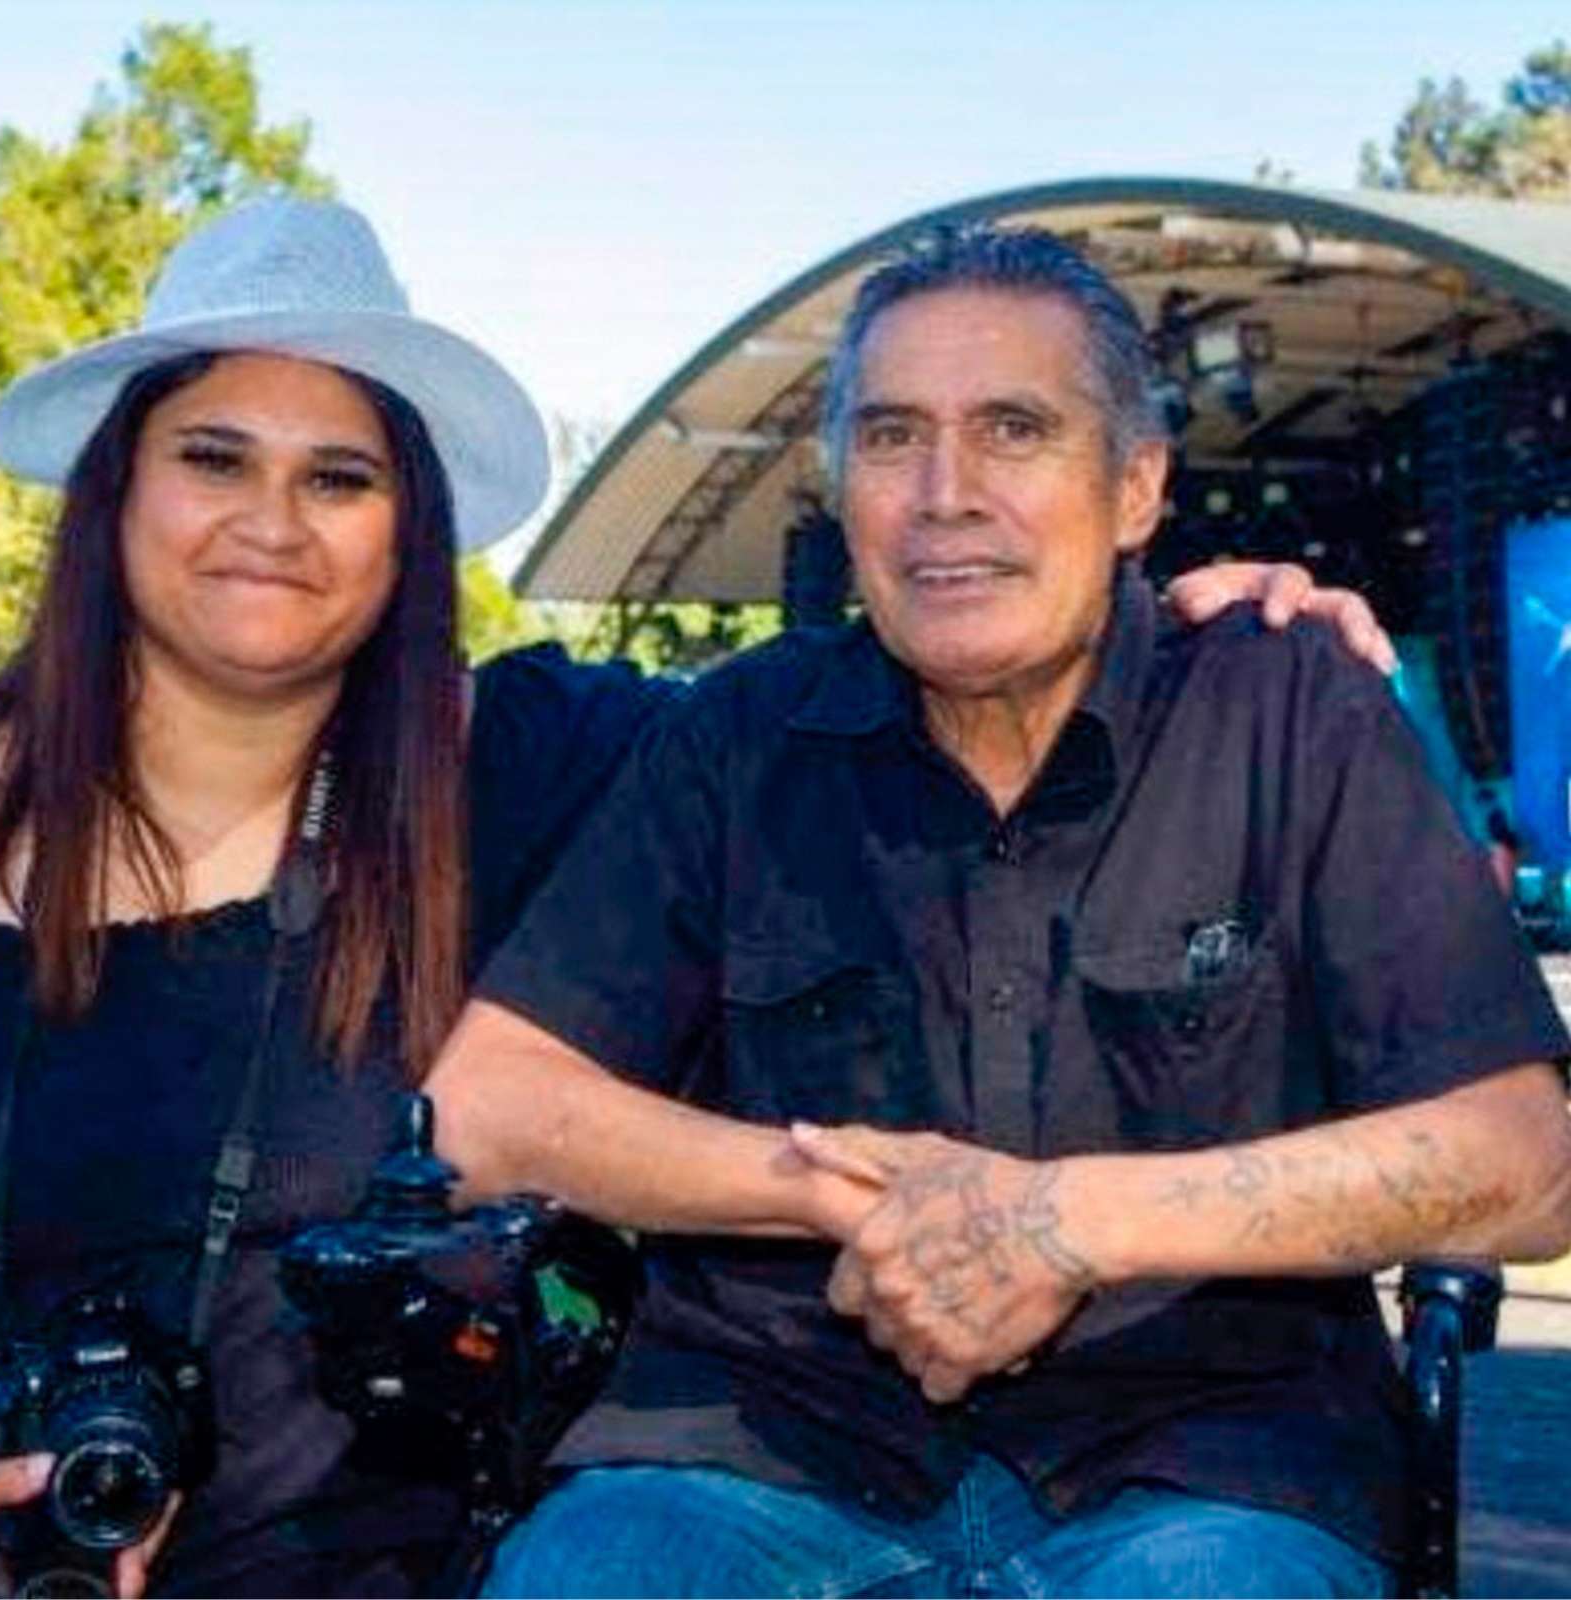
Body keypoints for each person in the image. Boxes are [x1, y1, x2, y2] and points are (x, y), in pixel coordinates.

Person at [0, 192, 1392, 1600]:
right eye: (214, 457)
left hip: (354, 1566)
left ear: (409, 527)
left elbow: (898, 683)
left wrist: (1171, 630)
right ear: (117, 488)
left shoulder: (538, 764)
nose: (273, 521)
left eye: (340, 477)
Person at [426, 225, 1571, 1598]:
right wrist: (850, 1194)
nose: (946, 495)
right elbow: (483, 1111)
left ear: (1135, 487)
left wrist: (1071, 1220)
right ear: (841, 490)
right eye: (892, 437)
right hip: (757, 1450)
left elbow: (1525, 1160)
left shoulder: (1288, 709)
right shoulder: (733, 739)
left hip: (1208, 1467)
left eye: (1014, 430)